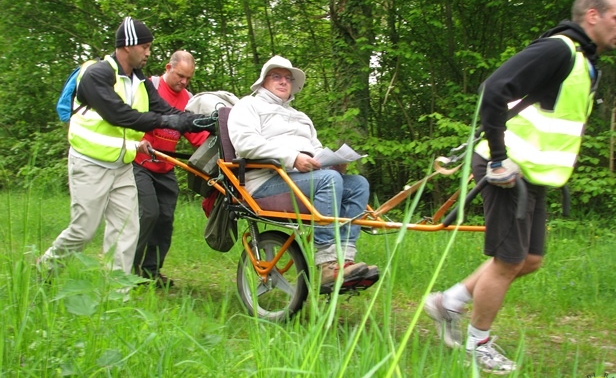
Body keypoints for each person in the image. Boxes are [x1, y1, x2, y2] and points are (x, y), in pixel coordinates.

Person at [424, 0, 616, 374]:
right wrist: (499, 159)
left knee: (529, 260)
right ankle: (476, 344)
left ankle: (447, 302)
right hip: (506, 172)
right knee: (507, 261)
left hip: (532, 176)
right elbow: (495, 88)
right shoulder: (560, 49)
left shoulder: (585, 62)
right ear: (592, 16)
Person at [38, 17, 213, 279]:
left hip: (122, 164)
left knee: (126, 230)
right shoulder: (97, 74)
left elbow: (165, 110)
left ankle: (116, 294)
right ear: (128, 45)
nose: (148, 52)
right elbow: (120, 115)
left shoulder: (138, 80)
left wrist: (203, 122)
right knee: (84, 230)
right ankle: (45, 270)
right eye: (145, 46)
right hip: (90, 161)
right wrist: (167, 120)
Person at [228, 55, 377, 292]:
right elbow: (246, 144)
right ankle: (328, 265)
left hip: (304, 179)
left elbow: (316, 150)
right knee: (329, 180)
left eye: (288, 78)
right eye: (276, 76)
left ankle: (345, 261)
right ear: (264, 81)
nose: (283, 82)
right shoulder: (248, 105)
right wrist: (292, 158)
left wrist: (333, 163)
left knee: (358, 184)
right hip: (265, 182)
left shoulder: (301, 117)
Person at [133, 51, 209, 287]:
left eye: (188, 78)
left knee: (165, 219)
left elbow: (197, 136)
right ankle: (128, 271)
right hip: (138, 163)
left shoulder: (188, 100)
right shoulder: (149, 87)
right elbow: (130, 117)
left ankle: (151, 272)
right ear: (168, 67)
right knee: (148, 214)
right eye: (180, 76)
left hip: (165, 166)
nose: (184, 82)